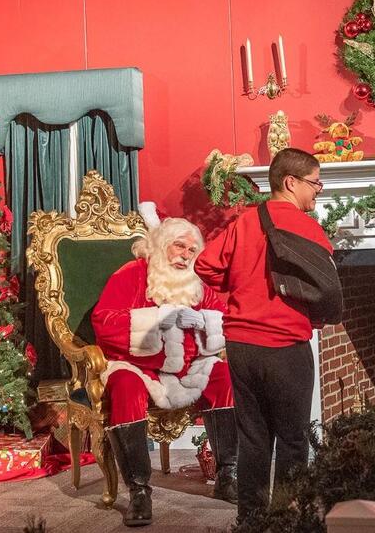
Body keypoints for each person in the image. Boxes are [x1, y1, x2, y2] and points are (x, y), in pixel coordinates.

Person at [194, 148, 333, 524]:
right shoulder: (306, 227)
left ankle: (252, 521)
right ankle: (288, 519)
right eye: (315, 182)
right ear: (291, 182)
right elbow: (324, 284)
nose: (318, 190)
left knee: (253, 438)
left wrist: (239, 283)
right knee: (292, 439)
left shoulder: (244, 222)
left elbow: (205, 265)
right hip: (285, 344)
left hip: (241, 346)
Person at [91, 211, 238, 527]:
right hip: (137, 366)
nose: (185, 256)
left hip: (186, 368)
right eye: (179, 247)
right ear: (161, 246)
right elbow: (105, 322)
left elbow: (223, 318)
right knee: (125, 387)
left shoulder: (196, 284)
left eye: (191, 250)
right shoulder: (132, 274)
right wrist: (162, 321)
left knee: (224, 375)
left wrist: (202, 322)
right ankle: (139, 491)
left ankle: (228, 473)